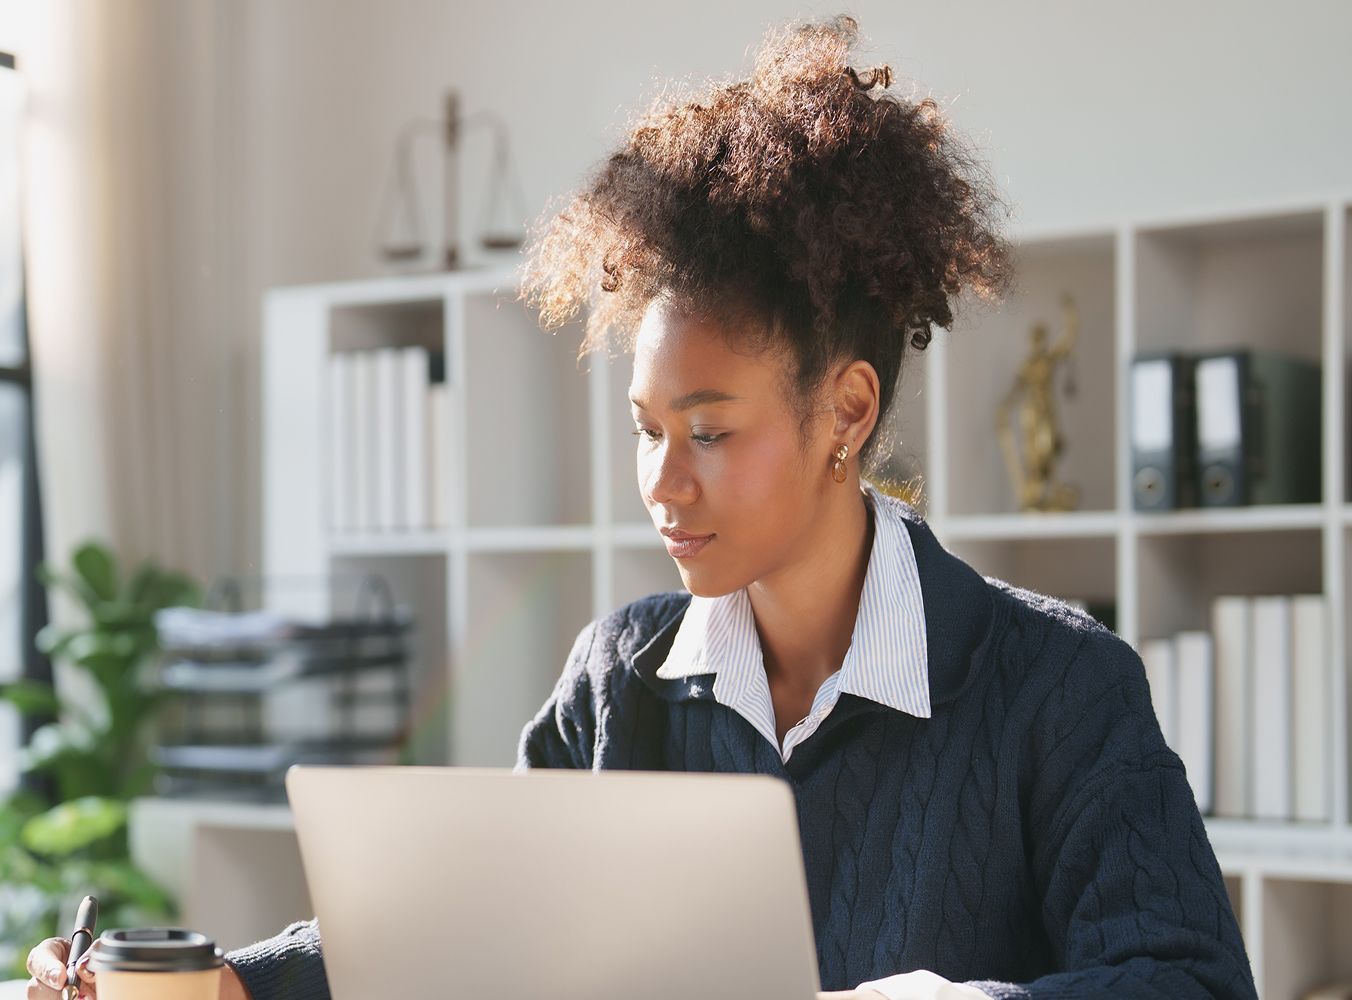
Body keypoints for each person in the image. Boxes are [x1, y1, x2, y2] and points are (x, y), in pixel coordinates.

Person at [26, 13, 1257, 1000]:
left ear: (845, 411)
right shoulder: (618, 678)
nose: (662, 485)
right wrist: (232, 983)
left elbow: (1189, 979)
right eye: (644, 430)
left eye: (710, 433)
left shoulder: (1053, 687)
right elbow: (465, 928)